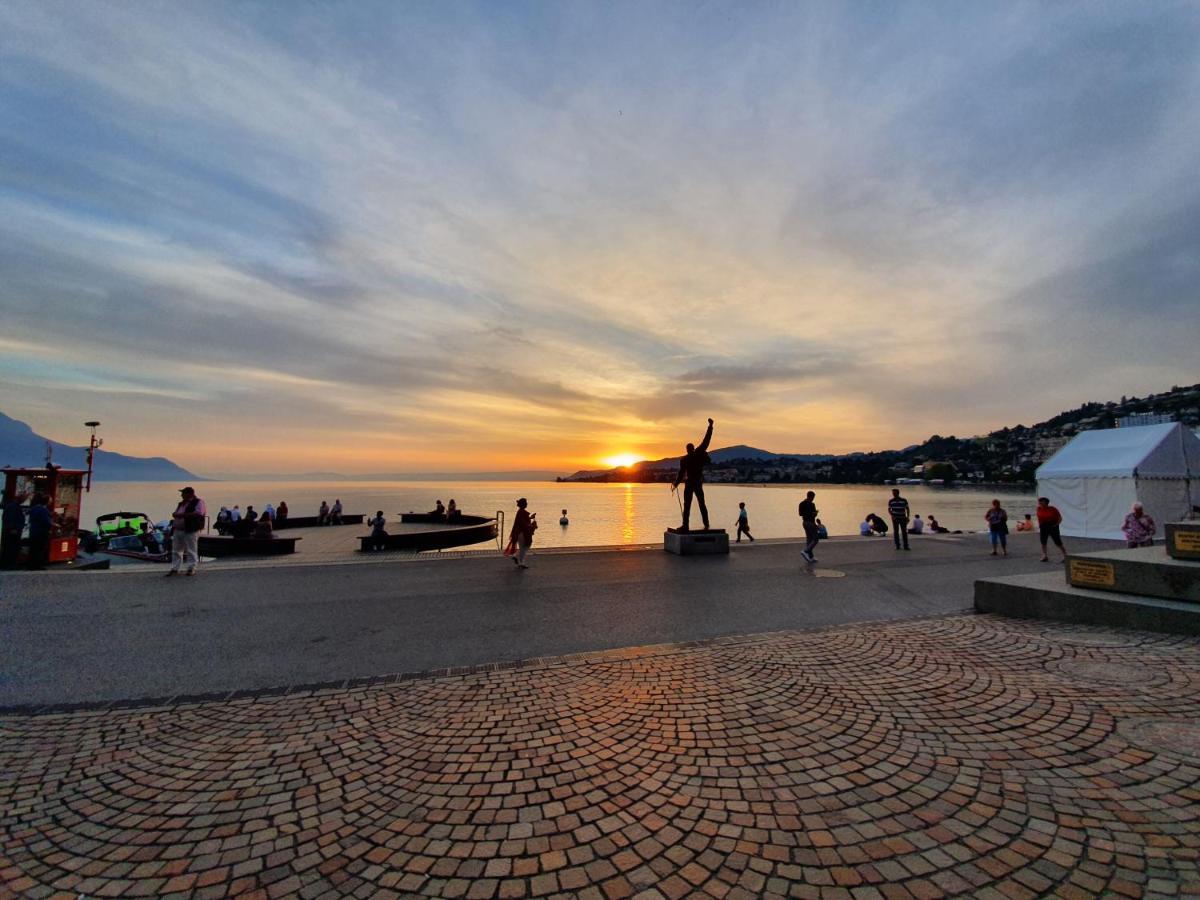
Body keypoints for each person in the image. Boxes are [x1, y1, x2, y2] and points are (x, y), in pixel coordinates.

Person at [673, 418, 714, 531]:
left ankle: (686, 525)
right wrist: (710, 426)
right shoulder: (698, 453)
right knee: (701, 504)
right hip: (696, 482)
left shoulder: (684, 459)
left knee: (688, 505)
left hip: (690, 482)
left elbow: (681, 474)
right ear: (693, 448)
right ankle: (706, 524)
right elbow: (707, 440)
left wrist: (676, 483)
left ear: (687, 450)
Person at [167, 486, 206, 576]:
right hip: (178, 529)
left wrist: (182, 515)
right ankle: (175, 569)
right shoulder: (182, 504)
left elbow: (199, 513)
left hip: (190, 529)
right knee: (176, 550)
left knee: (191, 550)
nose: (181, 495)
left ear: (189, 494)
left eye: (183, 493)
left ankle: (191, 568)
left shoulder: (198, 502)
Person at [506, 498, 537, 568]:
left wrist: (531, 518)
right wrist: (532, 526)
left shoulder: (520, 511)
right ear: (523, 504)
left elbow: (523, 520)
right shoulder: (522, 512)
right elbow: (523, 523)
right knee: (525, 547)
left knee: (523, 547)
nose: (527, 504)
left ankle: (516, 556)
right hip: (522, 532)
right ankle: (521, 563)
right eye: (526, 503)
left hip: (519, 532)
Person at [26, 493, 52, 570]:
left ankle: (30, 565)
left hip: (33, 531)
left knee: (33, 549)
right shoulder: (44, 510)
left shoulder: (34, 508)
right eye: (50, 501)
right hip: (41, 532)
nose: (51, 502)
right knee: (40, 549)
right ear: (47, 502)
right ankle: (37, 565)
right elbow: (46, 522)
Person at [1036, 497, 1067, 562]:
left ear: (1046, 502)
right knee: (1043, 542)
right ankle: (1045, 556)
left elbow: (1060, 518)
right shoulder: (1038, 509)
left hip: (1052, 526)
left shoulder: (1052, 509)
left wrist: (1056, 525)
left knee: (1058, 542)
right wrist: (1040, 526)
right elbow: (1039, 518)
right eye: (1039, 501)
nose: (1040, 502)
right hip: (1043, 526)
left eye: (1041, 501)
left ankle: (1065, 555)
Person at [1, 489, 26, 570]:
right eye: (23, 499)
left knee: (11, 547)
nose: (24, 500)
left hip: (12, 530)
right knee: (12, 548)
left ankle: (9, 563)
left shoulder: (12, 506)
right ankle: (10, 564)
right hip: (13, 531)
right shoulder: (14, 507)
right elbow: (11, 519)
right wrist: (13, 528)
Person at [798, 491, 819, 563]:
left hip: (804, 522)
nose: (813, 499)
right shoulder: (812, 504)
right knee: (816, 539)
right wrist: (814, 513)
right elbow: (813, 516)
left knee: (809, 539)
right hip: (810, 523)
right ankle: (805, 551)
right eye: (813, 497)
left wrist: (808, 513)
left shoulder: (801, 503)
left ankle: (811, 557)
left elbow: (800, 514)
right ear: (811, 496)